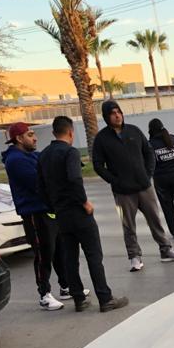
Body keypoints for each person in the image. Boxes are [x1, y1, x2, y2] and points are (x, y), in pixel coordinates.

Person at [37, 116, 127, 313]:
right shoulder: (70, 152)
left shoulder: (43, 156)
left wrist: (53, 207)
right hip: (78, 212)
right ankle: (105, 298)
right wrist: (84, 202)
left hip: (61, 214)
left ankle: (78, 298)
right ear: (71, 132)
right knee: (94, 256)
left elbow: (41, 187)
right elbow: (74, 179)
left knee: (70, 258)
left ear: (54, 133)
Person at [92, 100, 174, 272]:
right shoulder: (101, 139)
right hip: (122, 192)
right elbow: (97, 165)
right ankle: (134, 256)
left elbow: (149, 153)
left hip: (144, 187)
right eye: (112, 113)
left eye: (118, 112)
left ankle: (165, 250)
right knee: (128, 225)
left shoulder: (134, 130)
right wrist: (114, 181)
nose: (117, 115)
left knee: (155, 220)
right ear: (106, 117)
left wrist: (148, 174)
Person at [2, 122, 83, 311]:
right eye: (30, 135)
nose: (35, 138)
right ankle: (44, 294)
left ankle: (66, 286)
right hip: (35, 213)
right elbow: (39, 183)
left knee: (59, 250)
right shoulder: (16, 160)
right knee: (44, 253)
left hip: (48, 210)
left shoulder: (32, 155)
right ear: (19, 138)